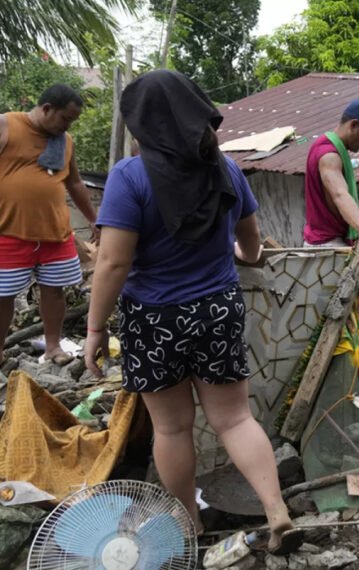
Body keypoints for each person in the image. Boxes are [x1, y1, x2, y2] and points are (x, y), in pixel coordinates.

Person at [83, 70, 299, 553]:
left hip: (154, 318)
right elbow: (251, 243)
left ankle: (190, 526)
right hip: (218, 309)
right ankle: (276, 511)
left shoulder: (129, 177)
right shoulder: (226, 169)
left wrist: (95, 328)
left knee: (172, 427)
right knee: (236, 420)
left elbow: (114, 262)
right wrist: (243, 256)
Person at [0, 84, 98, 365]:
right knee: (3, 296)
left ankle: (53, 347)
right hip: (9, 231)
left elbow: (75, 183)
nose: (68, 126)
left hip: (55, 233)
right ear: (46, 109)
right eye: (66, 118)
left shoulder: (65, 141)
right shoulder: (6, 125)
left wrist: (94, 218)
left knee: (54, 292)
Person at [302, 99, 359, 253]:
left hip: (328, 241)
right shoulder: (329, 156)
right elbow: (339, 194)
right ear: (353, 125)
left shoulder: (328, 147)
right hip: (327, 245)